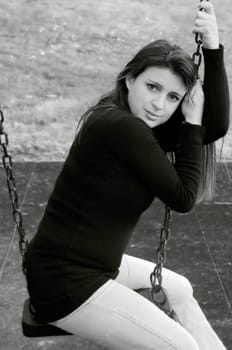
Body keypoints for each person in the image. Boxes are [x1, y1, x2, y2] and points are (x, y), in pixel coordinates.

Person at [25, 1, 229, 349]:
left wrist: (212, 47)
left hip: (95, 265)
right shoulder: (120, 127)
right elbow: (182, 198)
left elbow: (214, 127)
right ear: (130, 77)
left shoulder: (134, 121)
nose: (159, 105)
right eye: (152, 87)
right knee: (182, 347)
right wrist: (191, 122)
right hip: (66, 281)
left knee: (179, 289)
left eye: (173, 97)